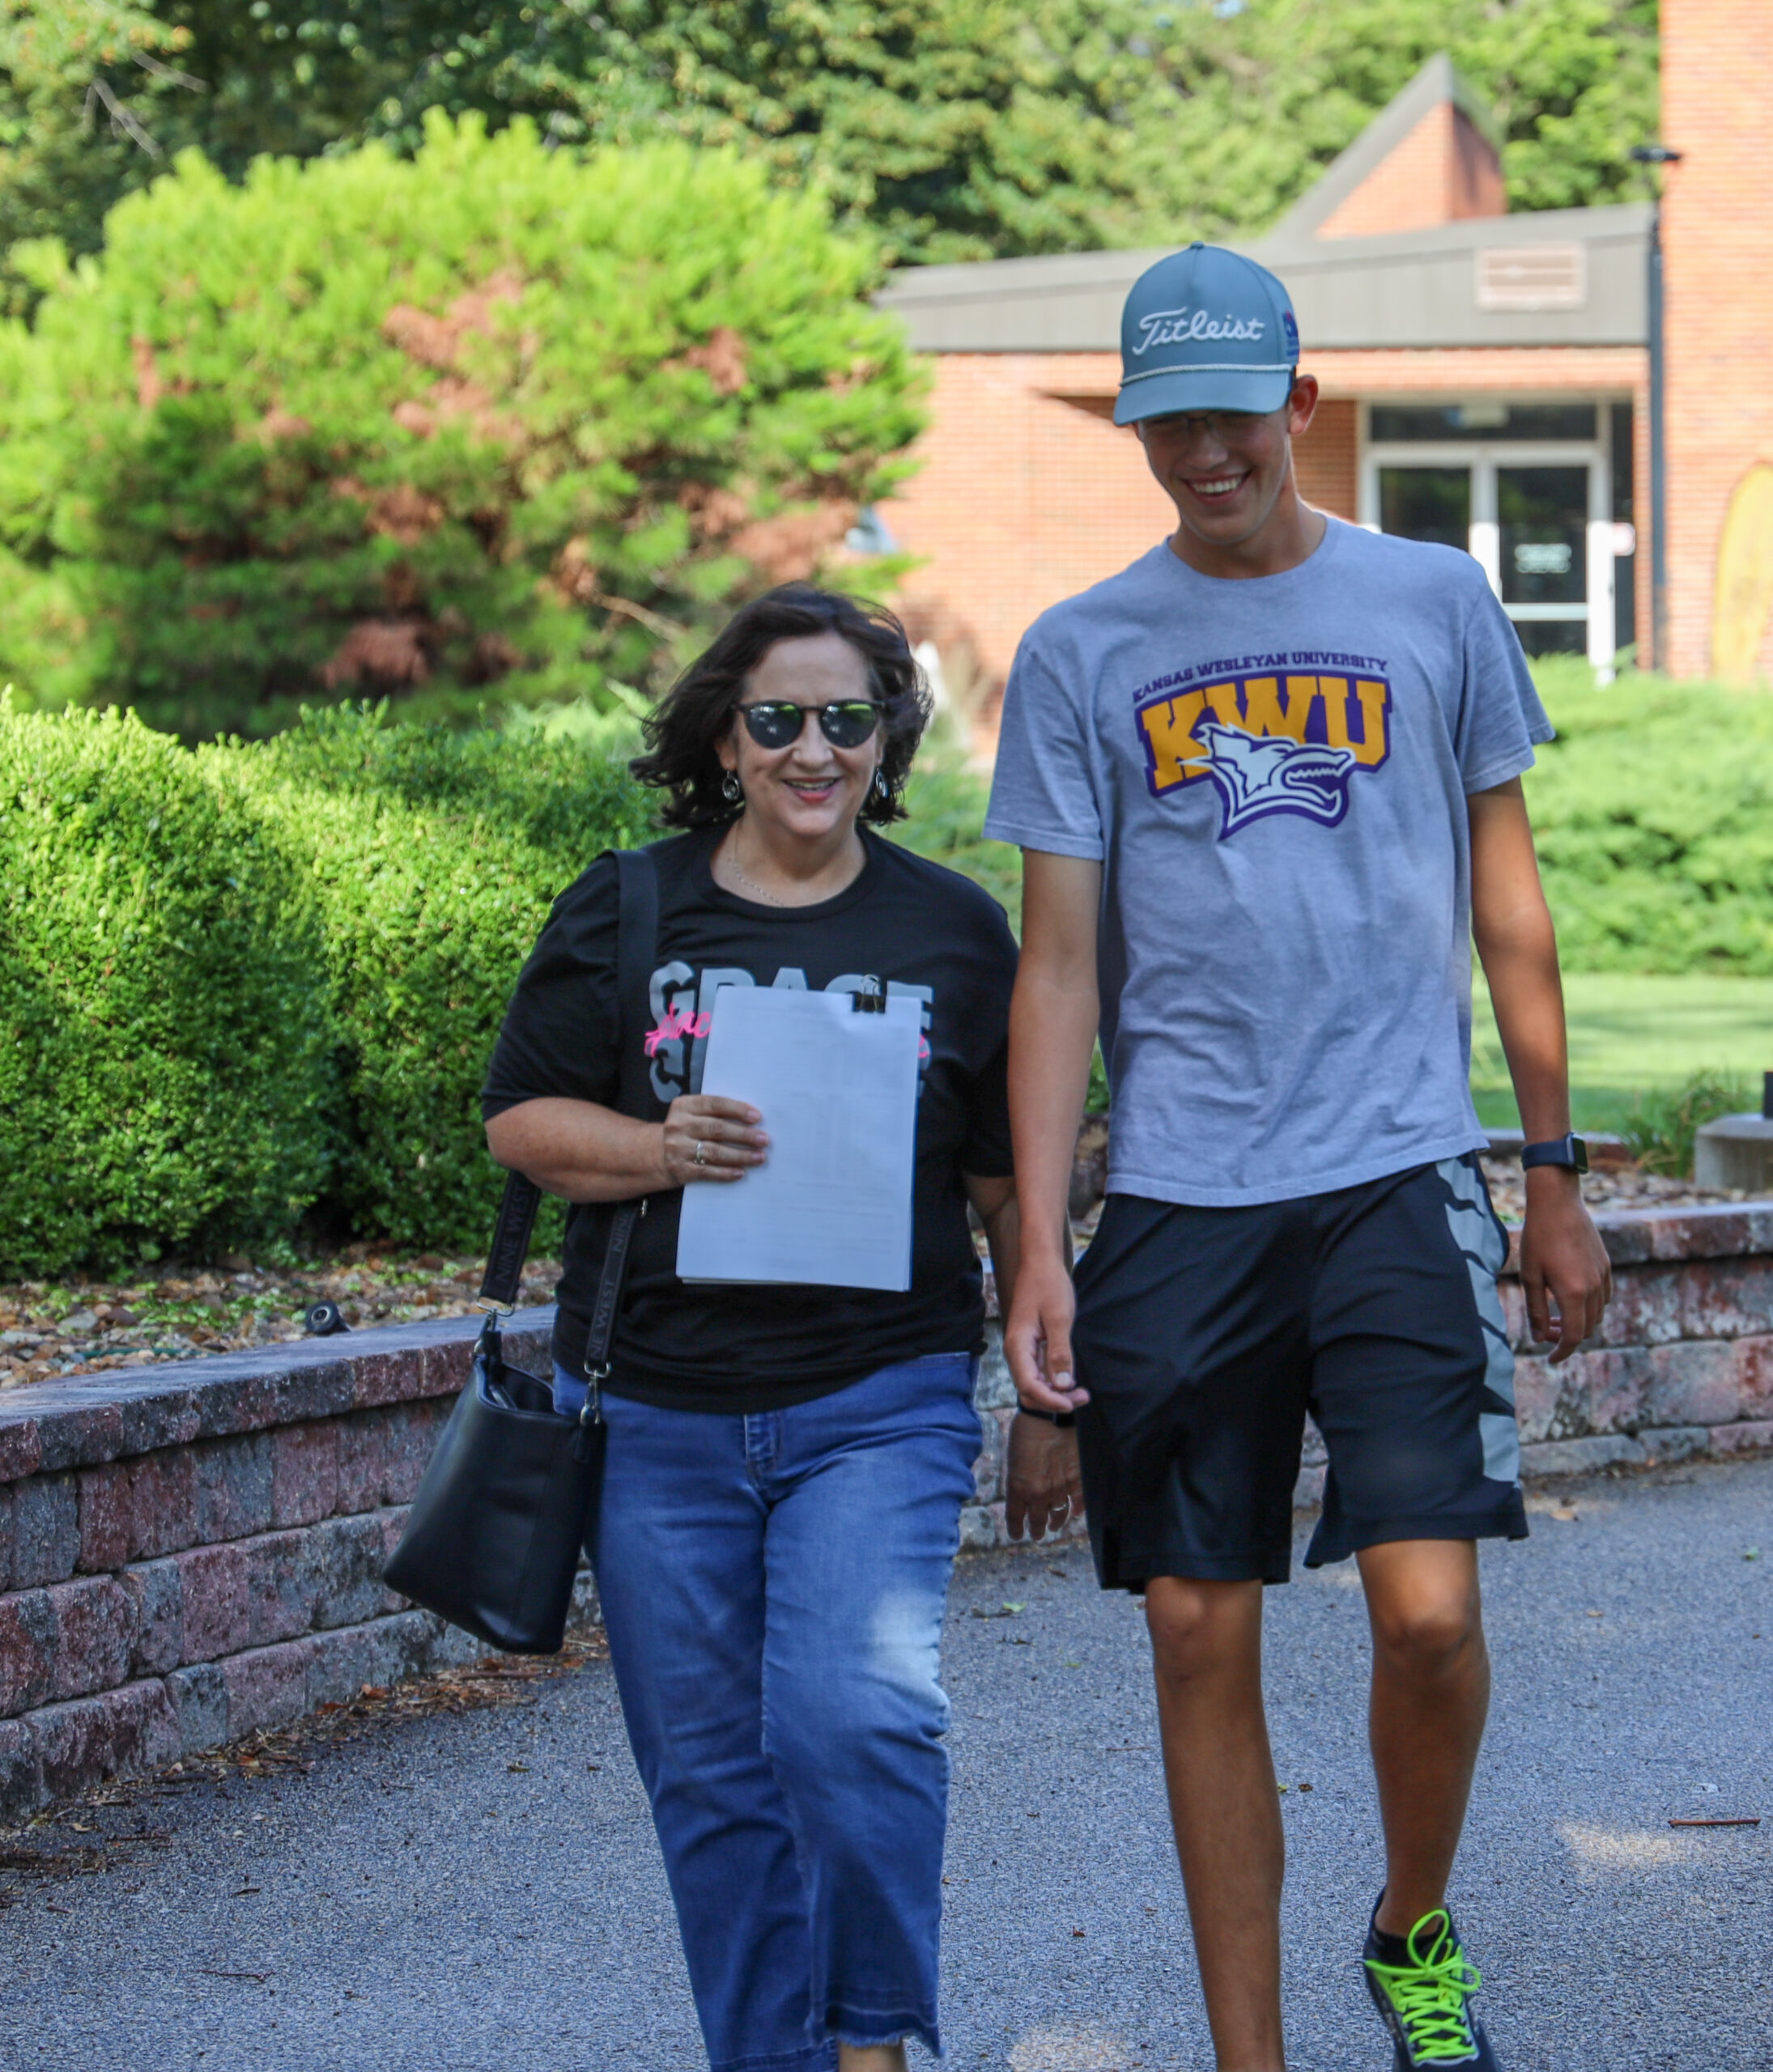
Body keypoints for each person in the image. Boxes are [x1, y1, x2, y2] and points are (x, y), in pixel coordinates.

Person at [986, 244, 1613, 2072]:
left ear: (1300, 405)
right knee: (1198, 1630)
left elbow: (1511, 897)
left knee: (1428, 1615)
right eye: (1166, 422)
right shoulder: (1084, 649)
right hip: (1182, 1196)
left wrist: (1554, 1167)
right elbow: (1057, 965)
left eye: (1231, 415)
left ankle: (1411, 1920)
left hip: (1400, 1169)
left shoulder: (1431, 599)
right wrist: (1046, 1239)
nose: (1201, 453)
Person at [480, 585, 1023, 2072]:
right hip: (655, 1412)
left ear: (884, 739)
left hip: (881, 1398)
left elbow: (1008, 1186)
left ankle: (868, 2043)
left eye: (844, 719)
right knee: (714, 1785)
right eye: (776, 718)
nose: (810, 749)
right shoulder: (630, 904)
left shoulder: (955, 929)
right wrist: (664, 1148)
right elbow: (517, 1122)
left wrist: (1052, 1377)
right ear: (725, 737)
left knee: (856, 1724)